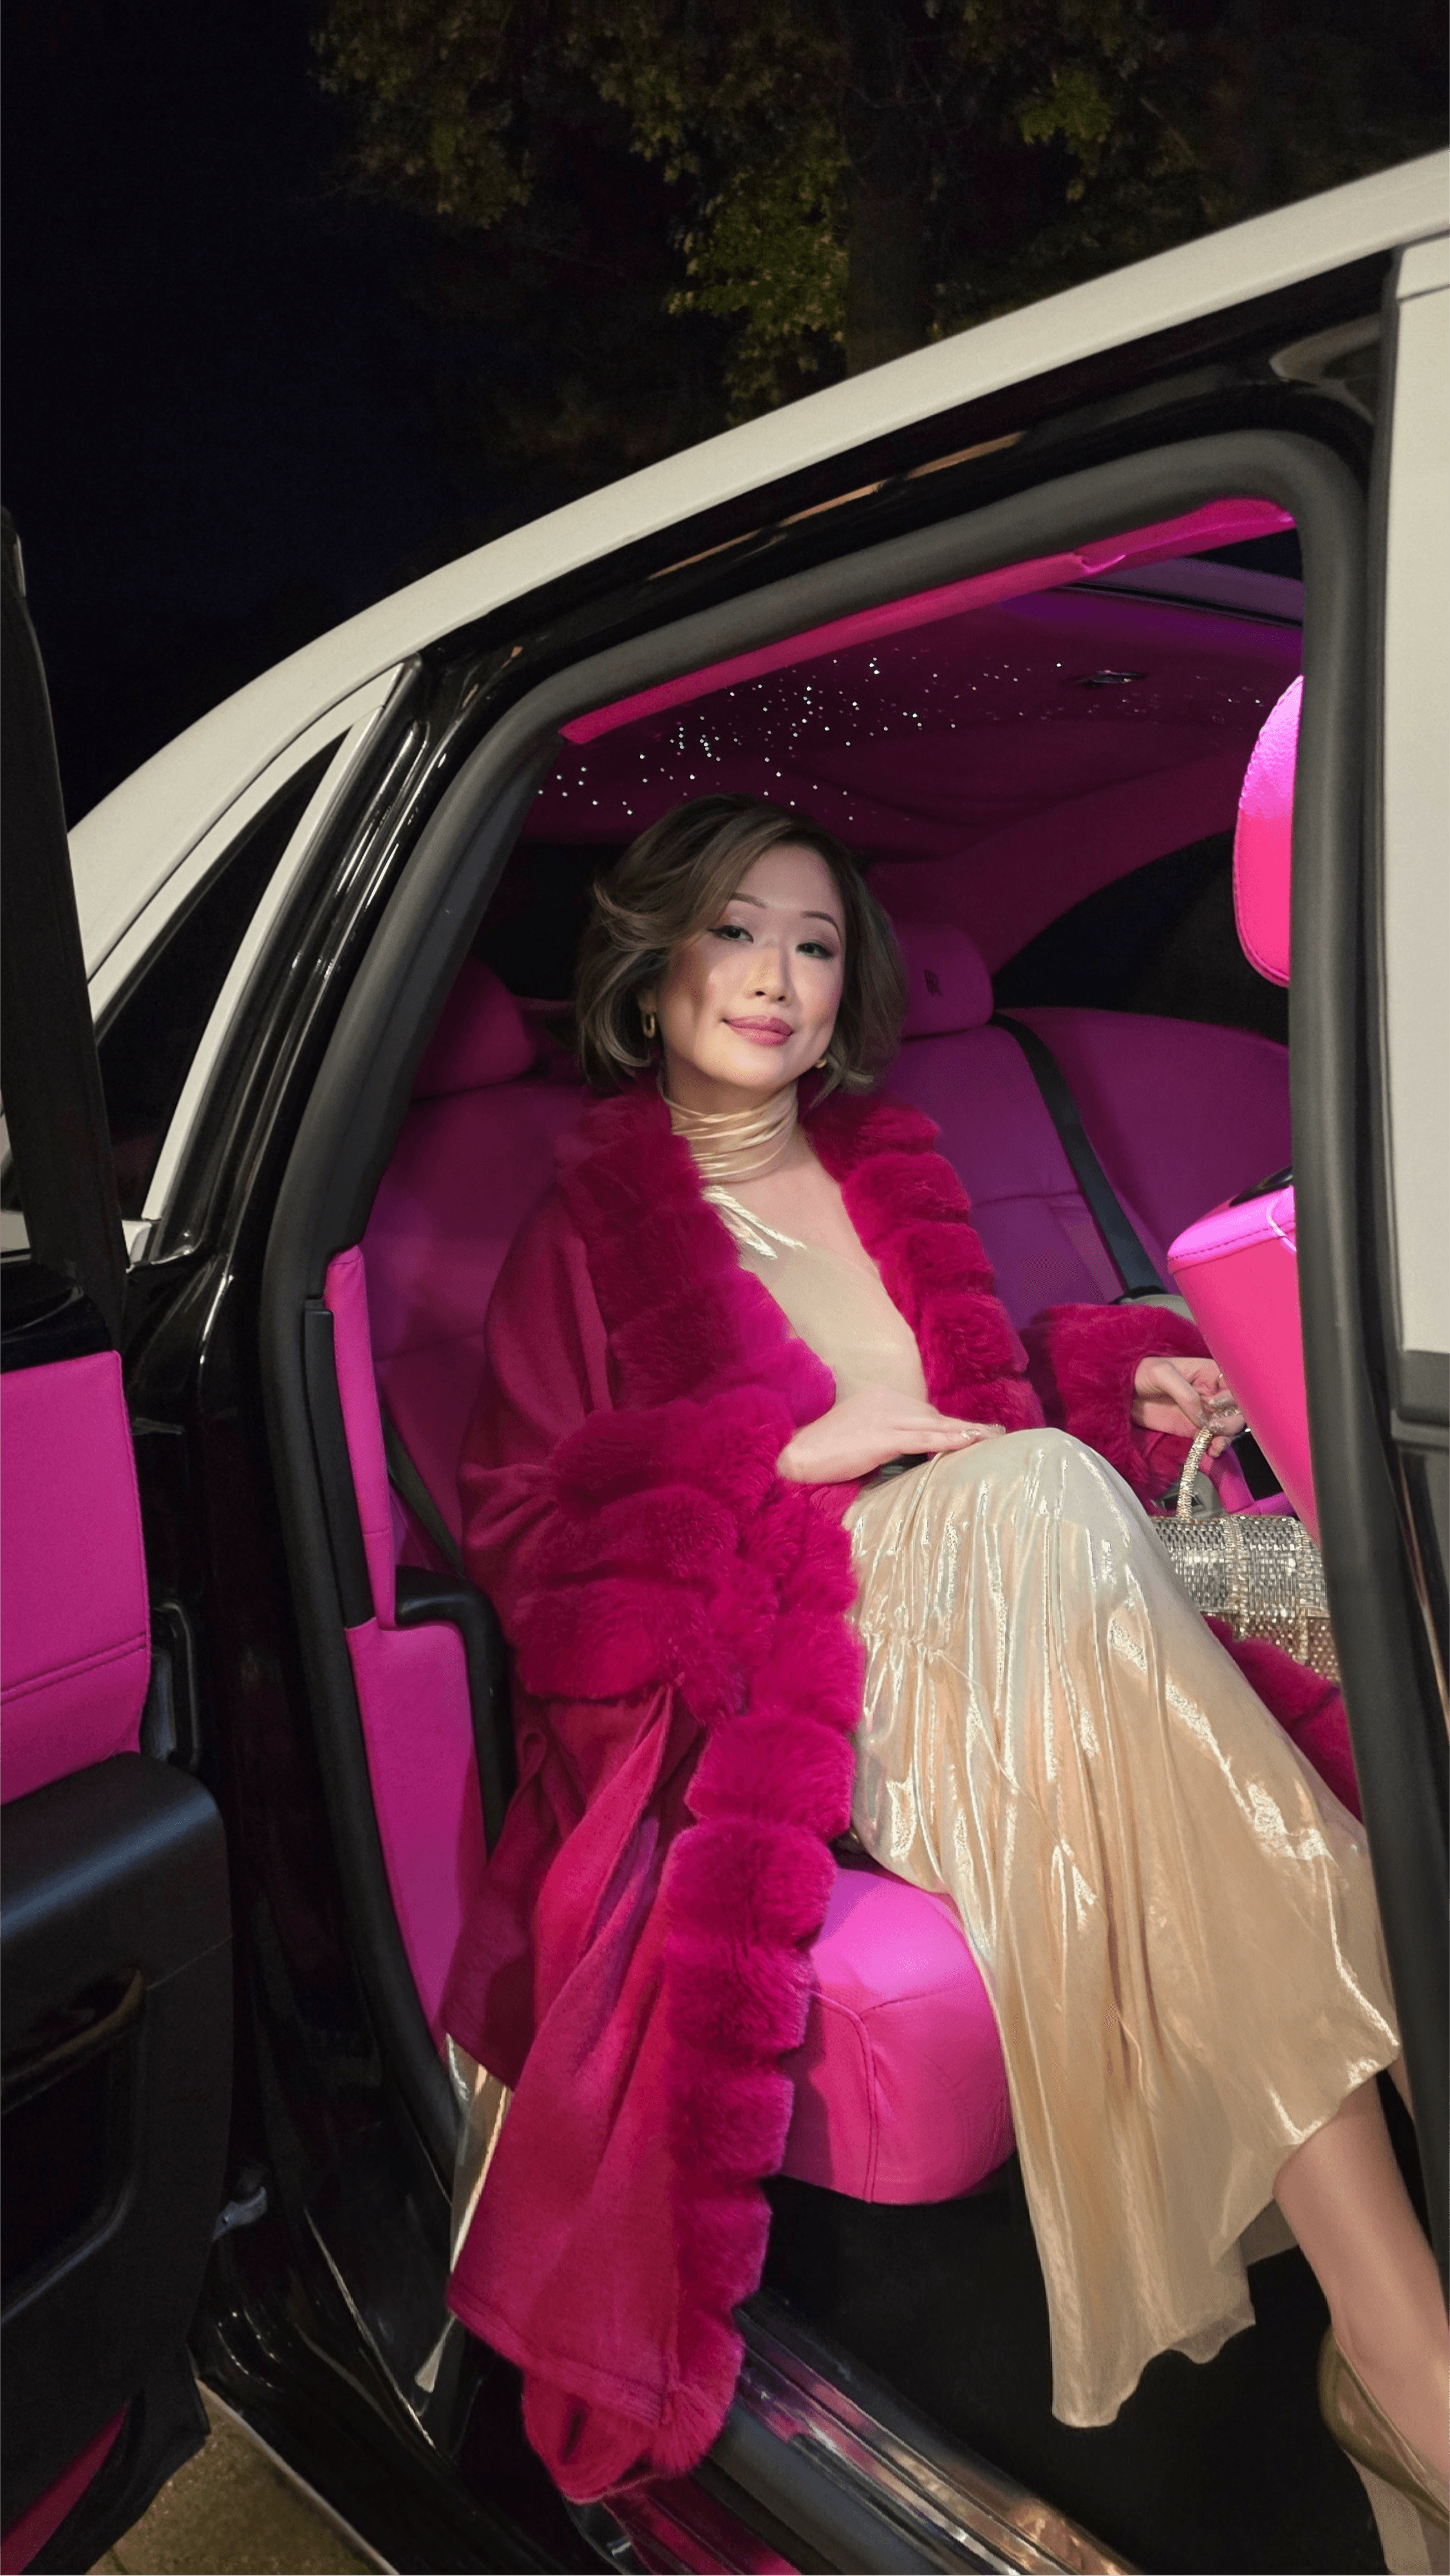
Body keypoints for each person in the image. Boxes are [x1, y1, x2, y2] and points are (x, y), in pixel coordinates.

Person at [443, 795, 1447, 2544]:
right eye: (735, 932)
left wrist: (1118, 1377)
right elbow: (534, 1542)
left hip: (1018, 1597)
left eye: (815, 944)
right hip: (824, 1659)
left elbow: (970, 1415)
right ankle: (1403, 2350)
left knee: (1322, 1578)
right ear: (653, 964)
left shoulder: (887, 1167)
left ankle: (1393, 2352)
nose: (776, 976)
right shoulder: (586, 1228)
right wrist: (782, 1457)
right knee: (1045, 1502)